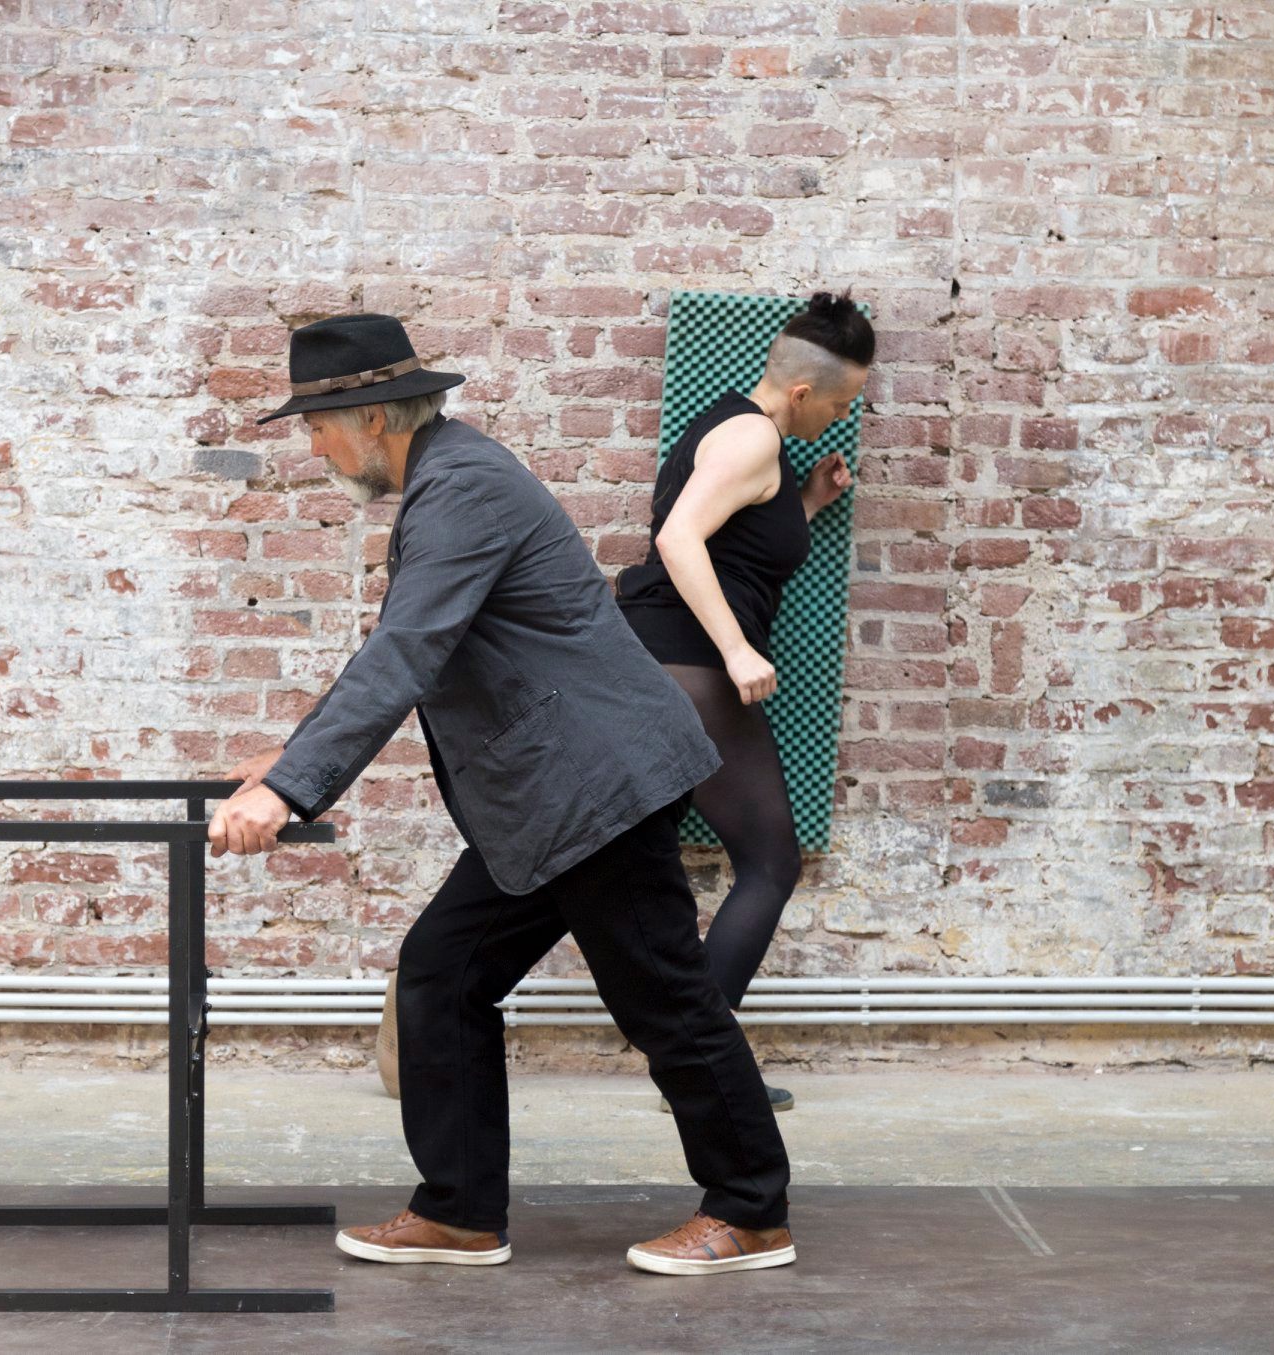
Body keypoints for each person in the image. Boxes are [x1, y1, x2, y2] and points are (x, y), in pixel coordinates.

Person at [210, 312, 796, 1277]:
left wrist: (288, 788)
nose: (313, 448)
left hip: (596, 786)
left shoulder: (462, 489)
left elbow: (405, 650)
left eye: (317, 426)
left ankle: (752, 1210)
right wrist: (290, 760)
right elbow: (410, 647)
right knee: (443, 974)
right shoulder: (449, 478)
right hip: (546, 797)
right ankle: (461, 1212)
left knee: (665, 1000)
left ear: (372, 418)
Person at [613, 290, 874, 1114]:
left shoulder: (743, 436)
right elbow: (678, 538)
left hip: (658, 661)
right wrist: (734, 648)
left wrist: (808, 503)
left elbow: (736, 541)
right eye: (840, 402)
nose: (840, 417)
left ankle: (688, 1055)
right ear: (801, 390)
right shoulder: (754, 436)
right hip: (690, 664)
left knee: (626, 862)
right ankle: (700, 1067)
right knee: (770, 860)